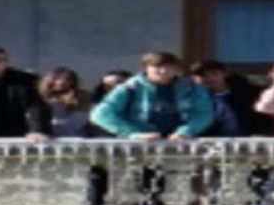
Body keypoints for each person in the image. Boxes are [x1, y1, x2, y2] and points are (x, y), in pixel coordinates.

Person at [92, 51, 236, 140]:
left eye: (169, 67)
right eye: (157, 67)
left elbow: (203, 113)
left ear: (177, 69)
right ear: (146, 68)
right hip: (141, 145)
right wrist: (132, 134)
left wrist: (186, 131)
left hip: (181, 144)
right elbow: (100, 114)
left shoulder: (193, 88)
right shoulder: (129, 88)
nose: (163, 71)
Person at [41, 67, 93, 138]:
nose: (60, 82)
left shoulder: (81, 96)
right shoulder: (39, 96)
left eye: (67, 80)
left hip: (75, 136)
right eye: (57, 79)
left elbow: (85, 117)